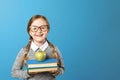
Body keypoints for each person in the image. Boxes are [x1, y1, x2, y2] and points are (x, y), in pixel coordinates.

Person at [11, 14, 65, 80]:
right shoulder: (24, 50)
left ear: (48, 30)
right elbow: (14, 72)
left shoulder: (54, 49)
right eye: (34, 28)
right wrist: (28, 73)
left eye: (43, 28)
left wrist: (56, 71)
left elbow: (62, 68)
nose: (39, 31)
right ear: (29, 31)